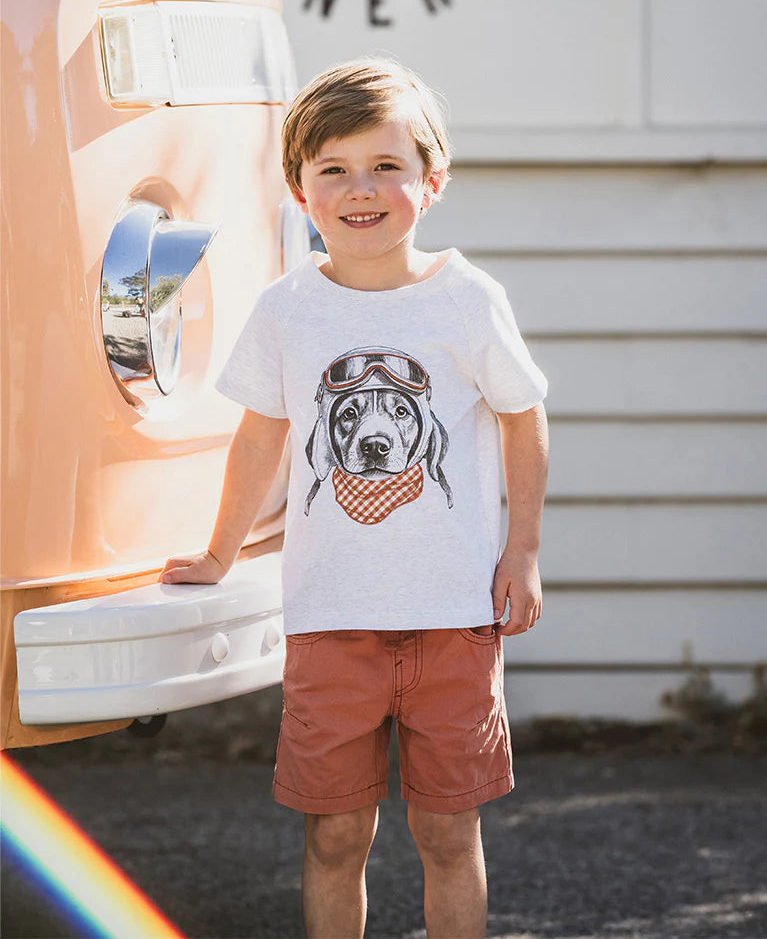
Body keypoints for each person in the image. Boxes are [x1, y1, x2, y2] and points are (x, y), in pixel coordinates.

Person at [159, 57, 549, 939]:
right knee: (336, 835)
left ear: (432, 180)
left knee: (448, 831)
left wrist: (520, 552)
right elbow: (261, 436)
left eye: (386, 167)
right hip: (330, 618)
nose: (359, 189)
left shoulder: (468, 301)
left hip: (455, 617)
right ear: (300, 191)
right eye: (332, 169)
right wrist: (220, 553)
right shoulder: (288, 311)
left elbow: (524, 420)